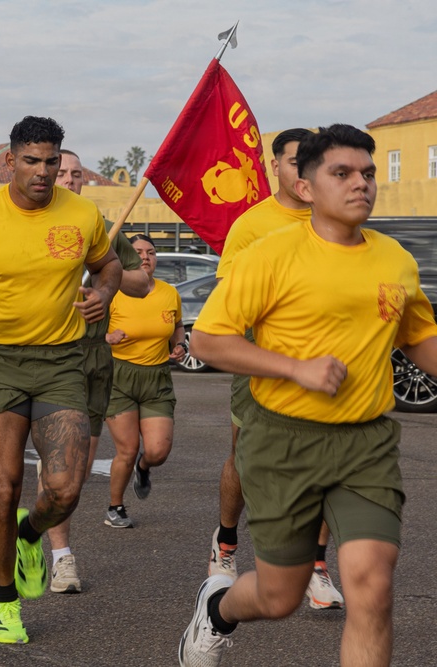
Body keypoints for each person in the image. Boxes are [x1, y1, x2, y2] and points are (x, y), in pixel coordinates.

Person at [178, 124, 437, 667]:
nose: (360, 183)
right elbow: (206, 339)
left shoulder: (396, 260)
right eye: (341, 173)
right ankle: (219, 610)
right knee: (279, 596)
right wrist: (294, 368)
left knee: (371, 585)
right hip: (282, 441)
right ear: (307, 185)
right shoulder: (269, 254)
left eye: (368, 173)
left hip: (366, 444)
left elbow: (418, 338)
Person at [0, 116, 122, 644]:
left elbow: (109, 265)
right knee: (4, 486)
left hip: (61, 362)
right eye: (31, 161)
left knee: (64, 489)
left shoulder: (82, 213)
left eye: (52, 161)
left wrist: (104, 292)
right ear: (9, 161)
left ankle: (30, 535)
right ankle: (5, 602)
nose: (43, 171)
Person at [206, 128, 343, 611]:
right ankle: (225, 546)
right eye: (293, 160)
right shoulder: (251, 225)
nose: (303, 168)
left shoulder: (337, 217)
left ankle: (317, 566)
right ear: (275, 168)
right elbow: (229, 307)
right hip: (264, 364)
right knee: (244, 460)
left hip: (327, 366)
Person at [40, 149, 149, 594]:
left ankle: (39, 524)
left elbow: (141, 282)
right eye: (60, 171)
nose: (68, 179)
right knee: (60, 463)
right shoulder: (29, 221)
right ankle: (61, 557)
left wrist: (104, 279)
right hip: (48, 356)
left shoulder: (101, 228)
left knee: (77, 472)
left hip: (95, 361)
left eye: (75, 173)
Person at [103, 233, 184, 527]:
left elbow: (177, 326)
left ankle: (144, 466)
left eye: (151, 252)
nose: (145, 257)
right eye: (138, 252)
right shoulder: (112, 292)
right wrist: (107, 337)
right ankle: (115, 507)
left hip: (157, 378)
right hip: (119, 376)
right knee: (126, 448)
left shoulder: (168, 292)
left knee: (157, 451)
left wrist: (180, 344)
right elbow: (84, 330)